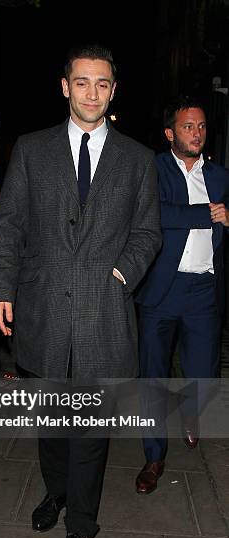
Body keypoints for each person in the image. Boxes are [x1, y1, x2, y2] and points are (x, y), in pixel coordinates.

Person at [0, 43, 161, 538]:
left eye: (102, 83)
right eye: (82, 82)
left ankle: (81, 530)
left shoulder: (136, 158)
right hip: (41, 310)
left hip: (104, 313)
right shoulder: (33, 149)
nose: (92, 92)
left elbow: (148, 231)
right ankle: (56, 492)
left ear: (113, 90)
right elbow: (10, 224)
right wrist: (0, 288)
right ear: (65, 87)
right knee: (51, 424)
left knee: (90, 433)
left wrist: (121, 273)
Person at [135, 94, 229, 494]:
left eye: (202, 126)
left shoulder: (221, 176)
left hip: (204, 289)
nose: (197, 133)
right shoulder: (151, 169)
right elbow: (152, 215)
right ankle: (154, 457)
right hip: (162, 289)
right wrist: (206, 213)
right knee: (153, 377)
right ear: (170, 132)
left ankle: (192, 415)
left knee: (205, 372)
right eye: (189, 126)